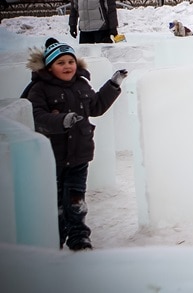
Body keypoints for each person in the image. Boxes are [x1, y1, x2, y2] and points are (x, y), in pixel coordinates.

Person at [21, 38, 127, 251]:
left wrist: (113, 85)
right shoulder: (38, 89)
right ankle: (55, 236)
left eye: (70, 61)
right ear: (49, 67)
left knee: (76, 198)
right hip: (53, 156)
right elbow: (36, 116)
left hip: (80, 153)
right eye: (61, 63)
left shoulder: (81, 84)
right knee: (58, 200)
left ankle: (79, 237)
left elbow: (95, 107)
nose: (67, 66)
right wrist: (62, 120)